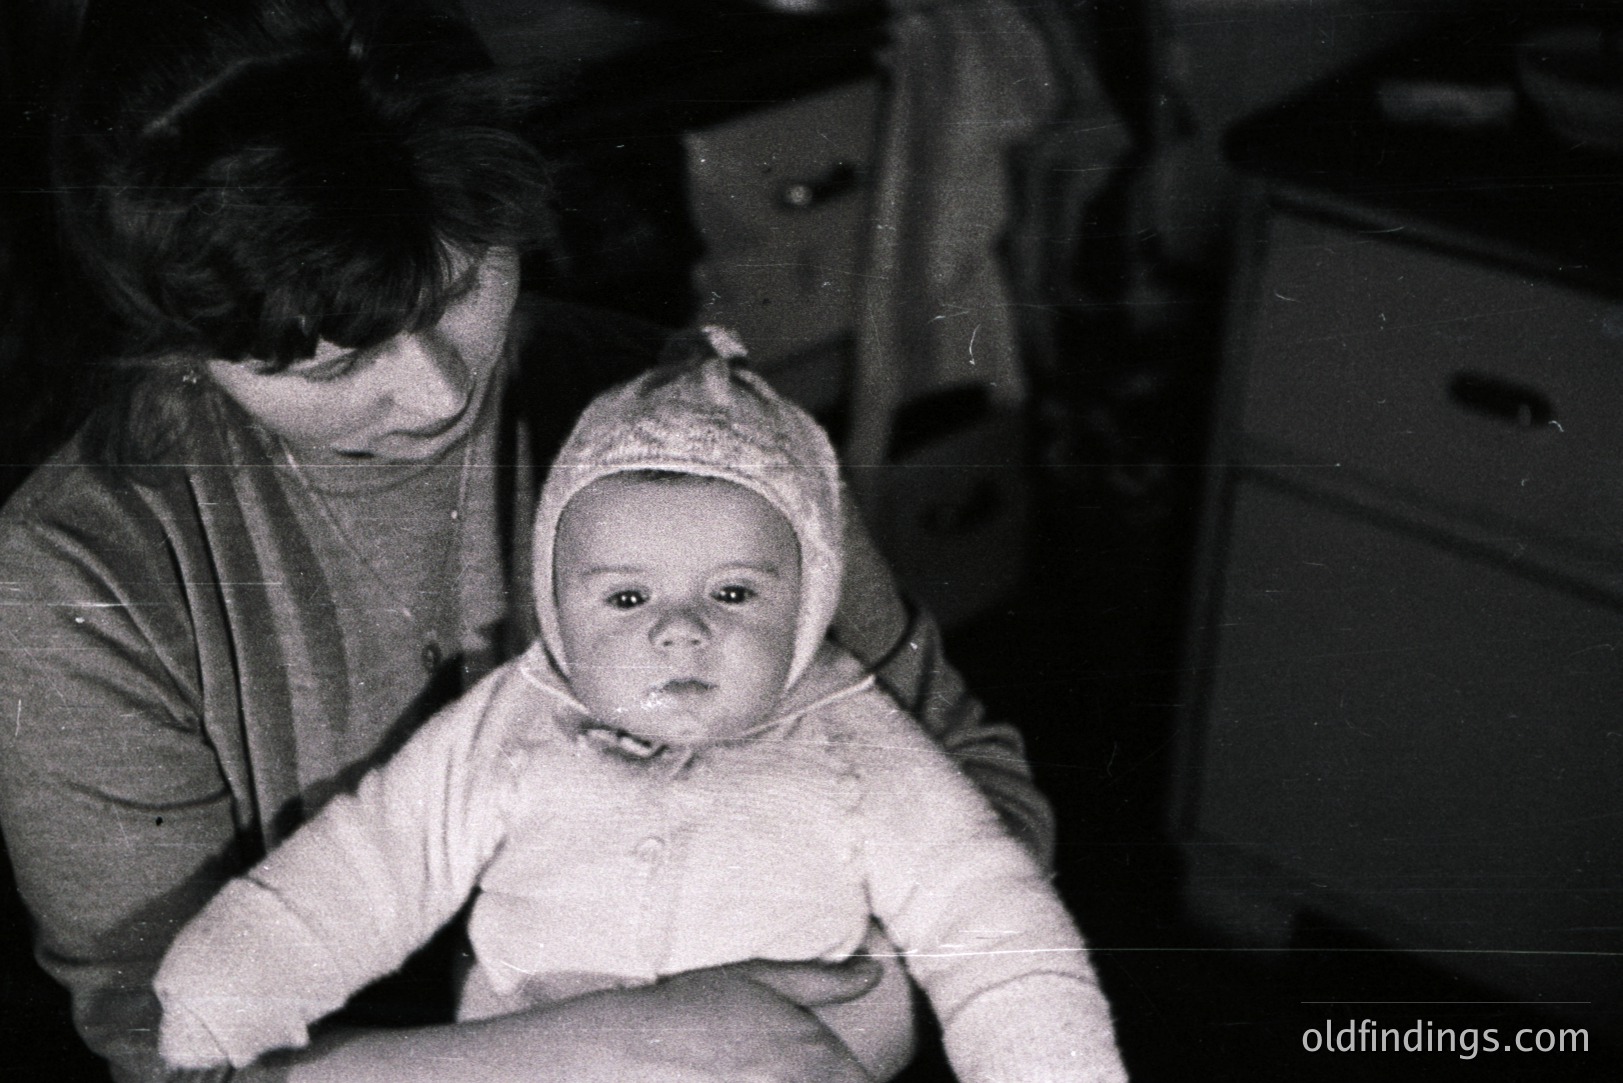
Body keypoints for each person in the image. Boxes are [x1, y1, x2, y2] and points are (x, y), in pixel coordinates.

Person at [0, 2, 1059, 1081]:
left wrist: (851, 1000)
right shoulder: (81, 575)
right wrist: (595, 1047)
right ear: (184, 343)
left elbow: (969, 776)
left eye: (461, 288)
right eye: (332, 368)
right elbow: (168, 1046)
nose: (440, 390)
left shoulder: (681, 421)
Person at [153, 355, 1128, 1083]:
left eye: (735, 594)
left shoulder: (855, 741)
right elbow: (374, 859)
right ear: (560, 604)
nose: (681, 633)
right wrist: (228, 996)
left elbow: (990, 916)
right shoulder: (517, 720)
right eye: (627, 601)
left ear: (810, 599)